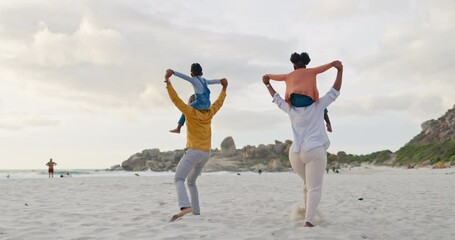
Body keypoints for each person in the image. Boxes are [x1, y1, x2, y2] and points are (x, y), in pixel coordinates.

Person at [262, 60, 343, 227]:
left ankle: (307, 214)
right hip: (314, 150)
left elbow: (277, 99)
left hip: (295, 153)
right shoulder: (318, 105)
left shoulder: (291, 109)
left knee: (307, 185)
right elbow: (334, 92)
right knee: (314, 188)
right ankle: (309, 221)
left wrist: (267, 84)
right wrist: (339, 71)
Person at [164, 69, 228, 222]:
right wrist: (224, 89)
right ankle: (196, 211)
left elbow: (175, 99)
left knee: (178, 178)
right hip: (206, 154)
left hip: (193, 152)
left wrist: (168, 82)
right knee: (191, 181)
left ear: (193, 103)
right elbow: (219, 103)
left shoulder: (190, 112)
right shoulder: (210, 112)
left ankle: (185, 206)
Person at [265, 52, 336, 132]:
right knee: (320, 105)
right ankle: (328, 123)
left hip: (295, 103)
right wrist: (332, 64)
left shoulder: (288, 76)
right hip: (309, 101)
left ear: (294, 67)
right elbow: (322, 68)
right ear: (305, 66)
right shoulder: (311, 71)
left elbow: (277, 77)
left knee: (320, 105)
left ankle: (328, 123)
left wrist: (267, 77)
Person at [166, 63, 225, 133]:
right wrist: (220, 81)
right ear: (201, 73)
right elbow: (213, 81)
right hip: (208, 104)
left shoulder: (193, 80)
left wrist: (173, 72)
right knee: (193, 98)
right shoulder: (204, 80)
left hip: (200, 104)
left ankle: (178, 128)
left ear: (192, 74)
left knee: (185, 109)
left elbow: (184, 77)